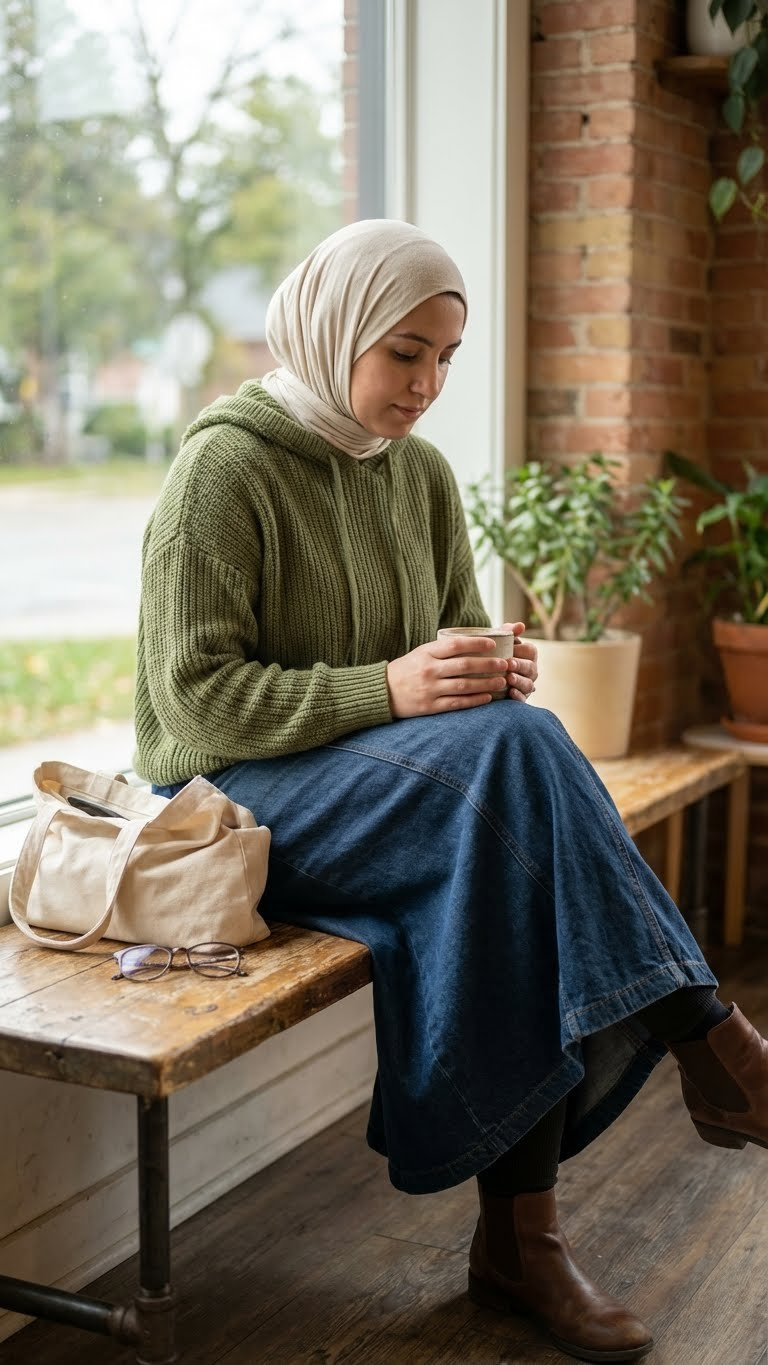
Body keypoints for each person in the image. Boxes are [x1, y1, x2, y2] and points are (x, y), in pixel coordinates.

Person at [134, 219, 768, 1364]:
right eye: (403, 354)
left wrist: (485, 663)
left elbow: (448, 645)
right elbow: (193, 709)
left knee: (511, 783)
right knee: (517, 765)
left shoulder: (416, 475)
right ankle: (708, 1043)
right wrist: (390, 686)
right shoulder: (220, 471)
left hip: (381, 783)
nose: (426, 385)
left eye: (445, 358)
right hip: (233, 800)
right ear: (335, 336)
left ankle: (525, 1240)